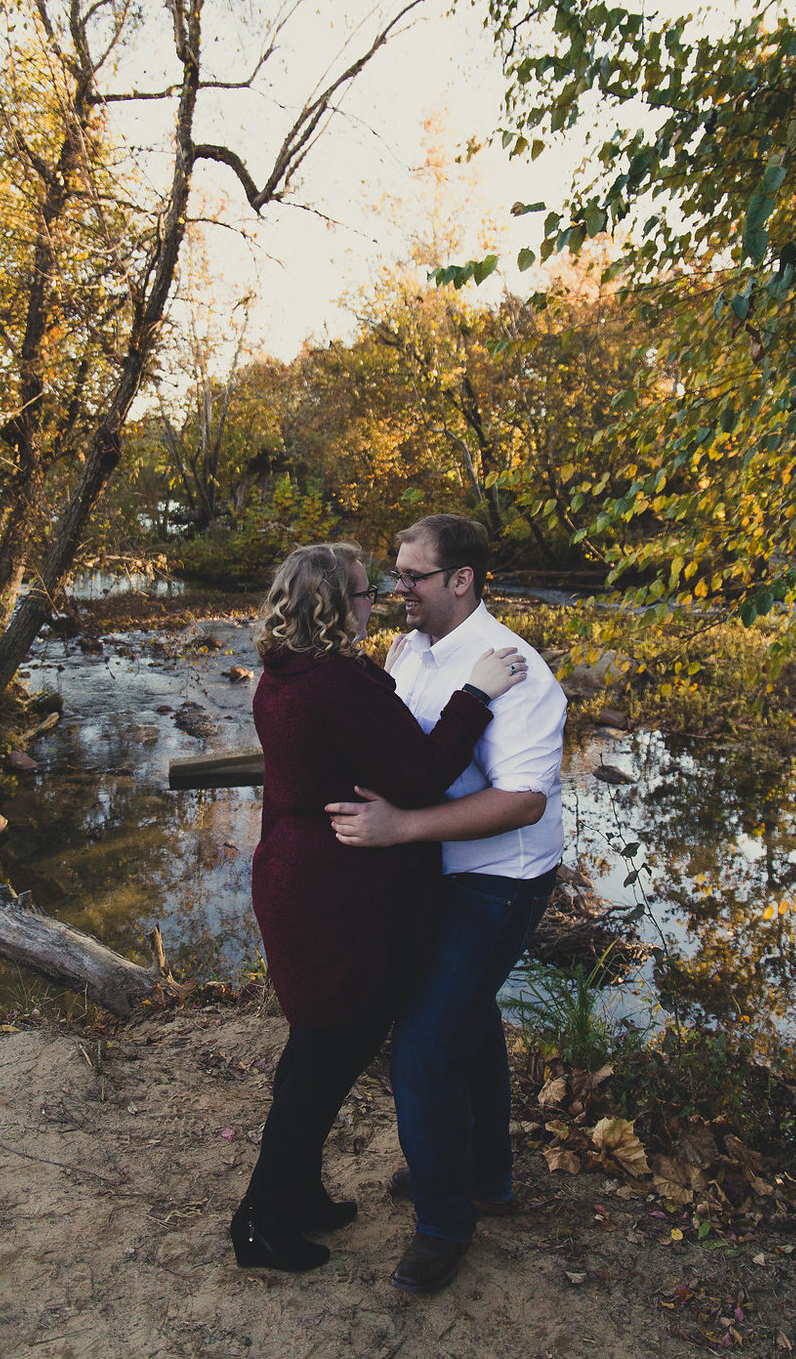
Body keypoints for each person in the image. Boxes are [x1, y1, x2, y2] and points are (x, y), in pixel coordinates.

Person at [233, 541, 528, 1274]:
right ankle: (259, 1222)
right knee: (323, 1061)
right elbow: (422, 774)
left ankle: (296, 1194)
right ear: (336, 607)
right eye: (368, 592)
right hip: (332, 895)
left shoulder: (285, 669)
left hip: (302, 881)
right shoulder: (334, 683)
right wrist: (476, 694)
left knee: (316, 1052)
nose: (383, 599)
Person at [327, 514, 567, 1294]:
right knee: (470, 1022)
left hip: (501, 877)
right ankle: (485, 1177)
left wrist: (401, 827)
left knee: (424, 1051)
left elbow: (525, 801)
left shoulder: (515, 668)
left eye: (412, 577)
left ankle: (444, 1223)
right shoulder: (409, 647)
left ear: (460, 579)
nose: (397, 590)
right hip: (436, 868)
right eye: (395, 576)